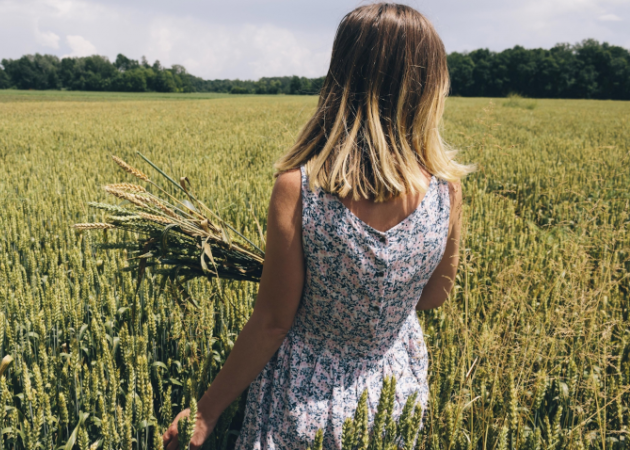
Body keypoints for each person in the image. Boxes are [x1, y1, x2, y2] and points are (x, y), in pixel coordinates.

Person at [163, 3, 474, 449]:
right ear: (428, 85)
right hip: (396, 397)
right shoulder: (447, 190)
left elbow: (273, 321)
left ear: (342, 78)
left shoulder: (301, 188)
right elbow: (434, 296)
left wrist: (206, 412)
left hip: (303, 403)